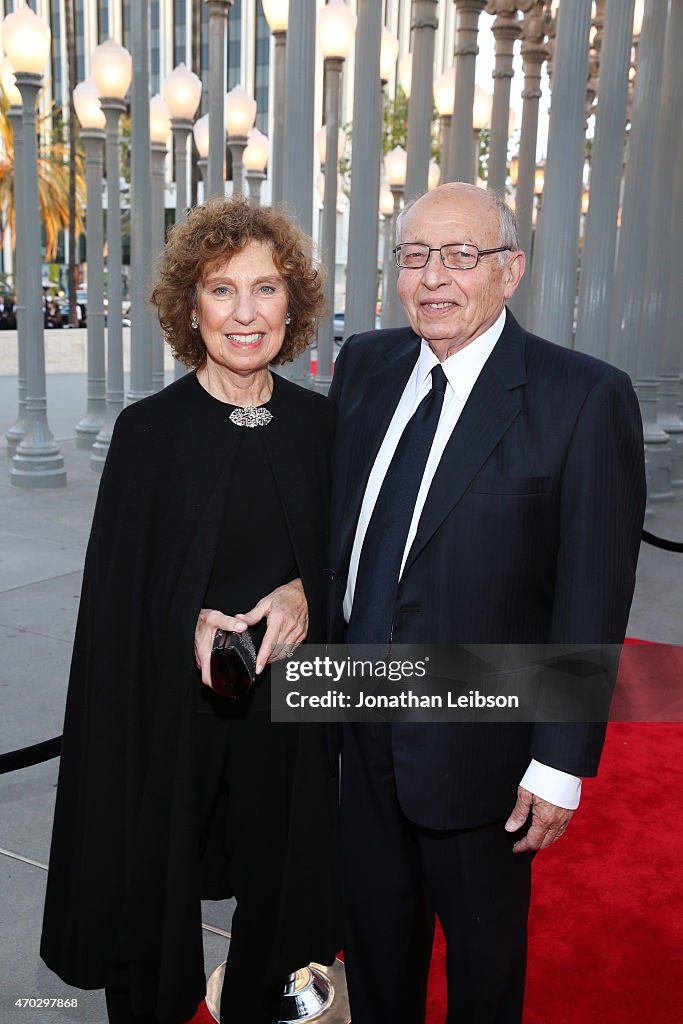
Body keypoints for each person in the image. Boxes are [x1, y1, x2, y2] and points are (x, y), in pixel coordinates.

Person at [327, 182, 646, 1024]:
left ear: (510, 271)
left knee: (481, 972)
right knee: (374, 950)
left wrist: (560, 764)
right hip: (354, 729)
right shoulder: (365, 363)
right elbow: (340, 529)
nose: (433, 278)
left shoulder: (583, 397)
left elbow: (592, 591)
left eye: (461, 256)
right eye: (414, 256)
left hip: (479, 753)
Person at [41, 197, 341, 1024]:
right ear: (189, 307)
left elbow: (348, 564)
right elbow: (115, 602)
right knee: (154, 877)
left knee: (288, 889)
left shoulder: (323, 427)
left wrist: (305, 594)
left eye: (266, 288)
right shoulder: (148, 433)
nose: (245, 313)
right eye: (220, 289)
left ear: (295, 302)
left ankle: (267, 1007)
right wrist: (189, 625)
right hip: (174, 711)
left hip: (295, 706)